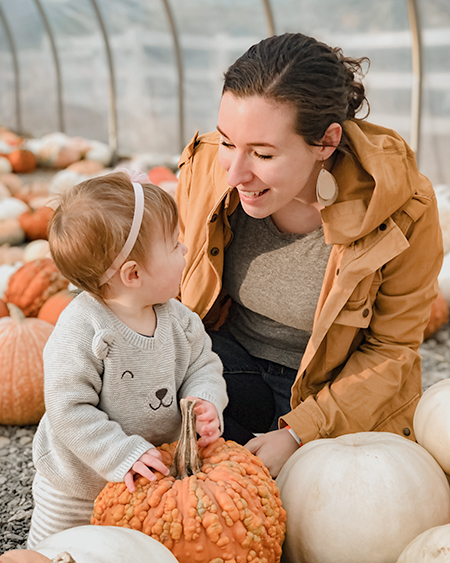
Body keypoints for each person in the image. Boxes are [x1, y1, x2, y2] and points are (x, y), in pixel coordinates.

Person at [175, 33, 443, 477]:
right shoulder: (207, 168)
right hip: (224, 367)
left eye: (262, 153)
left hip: (329, 397)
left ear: (325, 142)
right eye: (226, 142)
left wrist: (298, 432)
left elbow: (392, 349)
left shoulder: (405, 207)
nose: (235, 172)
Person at [27, 171, 228, 548]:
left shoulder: (179, 319)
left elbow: (203, 365)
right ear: (133, 274)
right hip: (77, 488)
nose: (184, 251)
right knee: (54, 551)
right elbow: (68, 409)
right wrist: (122, 453)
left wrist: (206, 400)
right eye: (173, 245)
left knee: (126, 552)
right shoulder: (82, 329)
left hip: (149, 481)